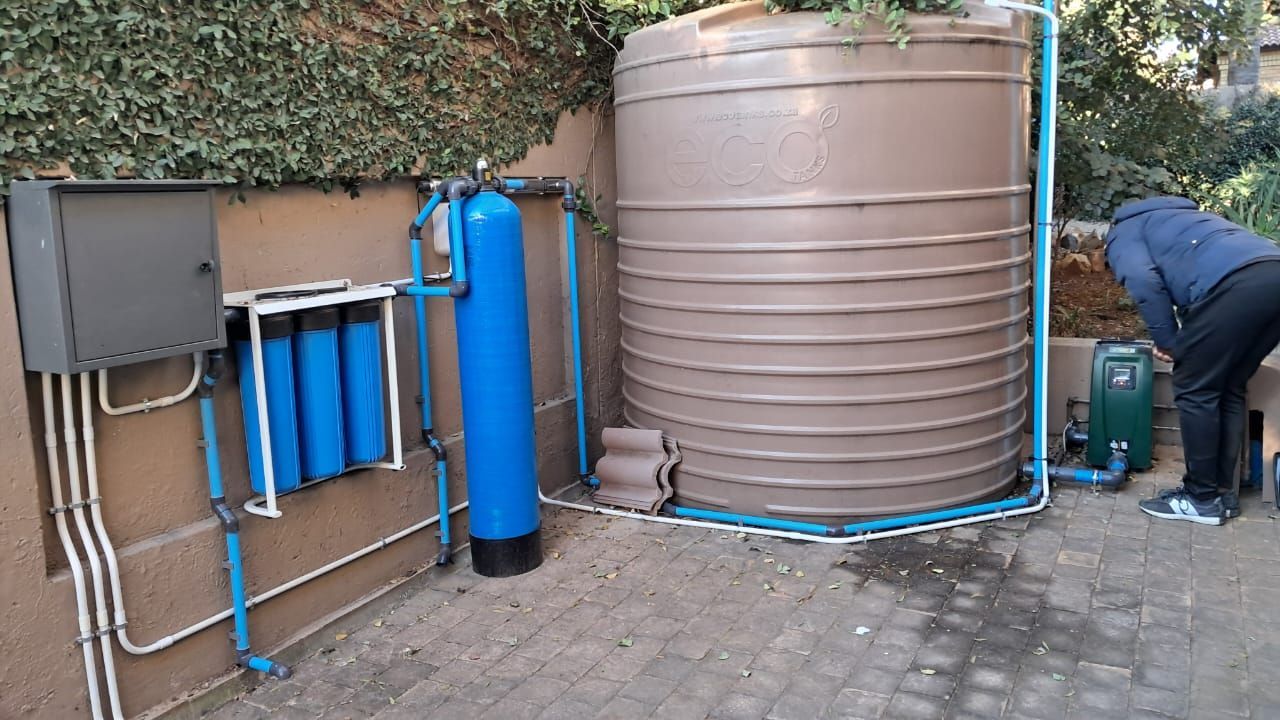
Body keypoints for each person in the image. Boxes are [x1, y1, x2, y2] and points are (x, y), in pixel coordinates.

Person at [1106, 196, 1280, 525]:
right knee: (1228, 386)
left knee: (1194, 388)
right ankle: (1222, 495)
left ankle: (1200, 498)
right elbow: (1195, 287)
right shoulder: (1190, 221)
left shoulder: (1125, 231)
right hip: (1273, 273)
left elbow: (1144, 284)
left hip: (1237, 285)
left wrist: (1169, 345)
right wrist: (1181, 341)